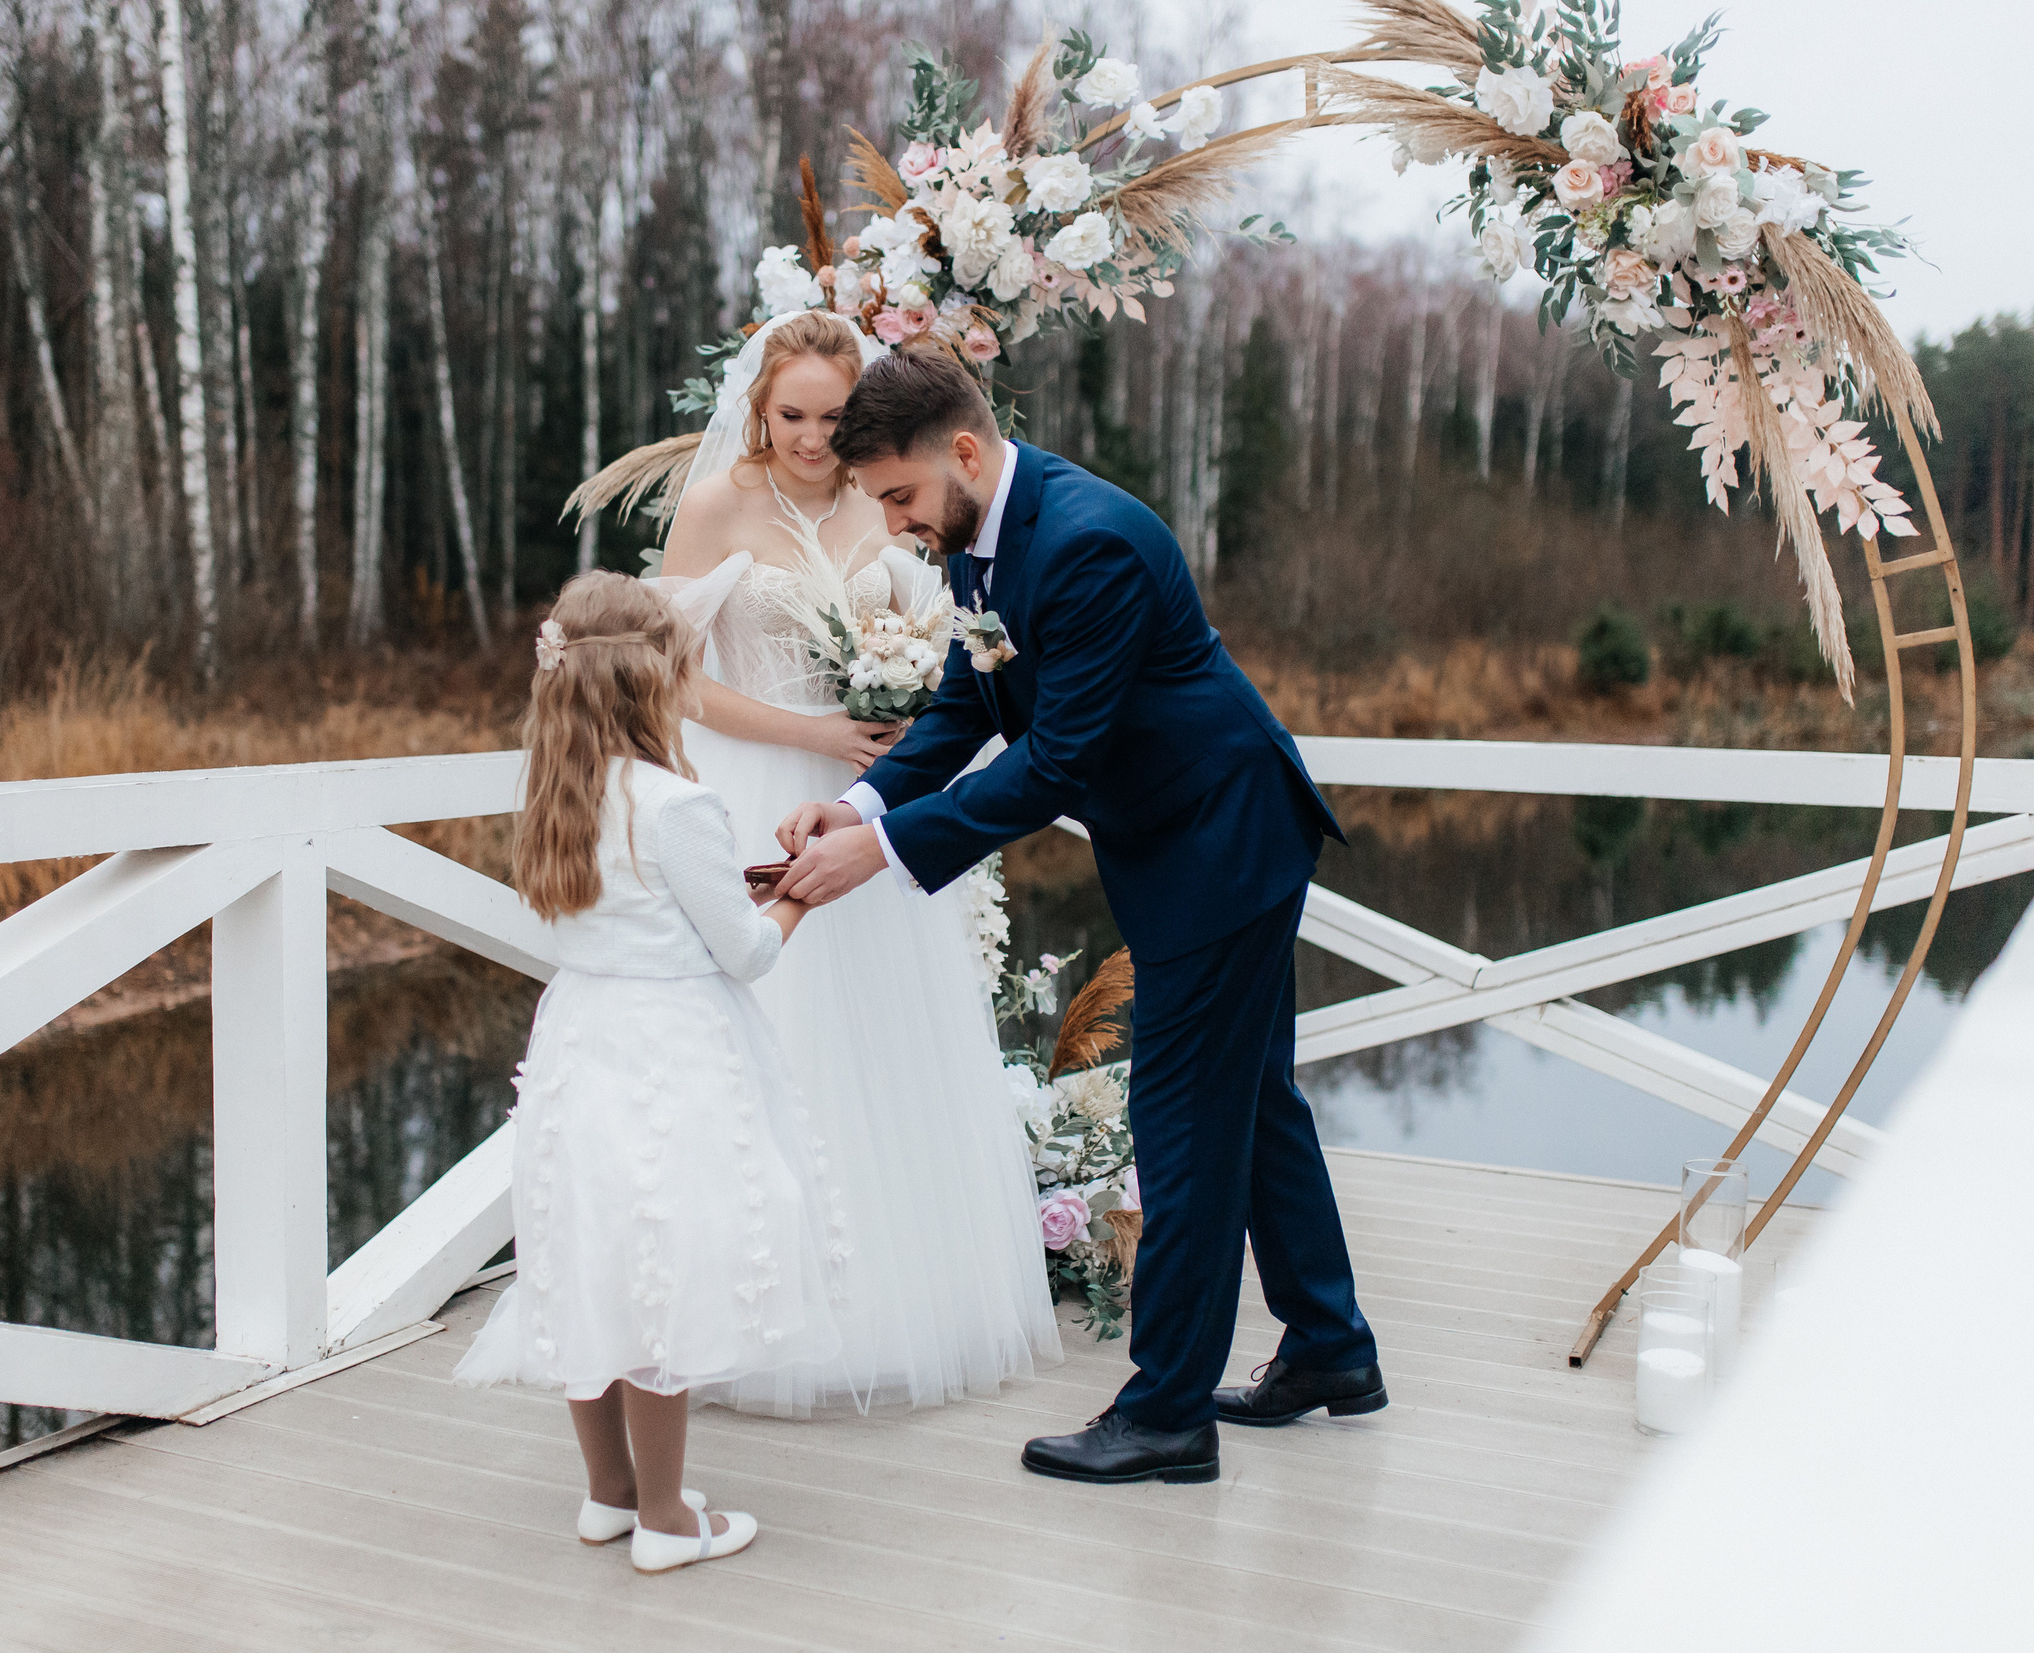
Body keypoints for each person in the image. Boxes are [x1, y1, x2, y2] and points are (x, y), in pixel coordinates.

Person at [776, 345, 1385, 1486]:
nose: (900, 525)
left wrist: (888, 851)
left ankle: (1166, 1415)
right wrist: (857, 800)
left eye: (901, 495)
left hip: (1222, 838)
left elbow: (1055, 759)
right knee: (1250, 1102)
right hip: (1187, 840)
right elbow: (970, 704)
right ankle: (1331, 1349)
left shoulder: (1089, 539)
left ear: (962, 451)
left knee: (1183, 1130)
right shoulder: (980, 541)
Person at [654, 310, 1060, 1416]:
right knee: (778, 1047)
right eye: (792, 414)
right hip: (758, 792)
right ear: (757, 405)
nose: (811, 437)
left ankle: (899, 1305)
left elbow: (953, 652)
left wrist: (898, 710)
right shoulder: (715, 506)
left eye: (834, 417)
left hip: (879, 806)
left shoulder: (888, 505)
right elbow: (667, 679)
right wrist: (812, 738)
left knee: (891, 1044)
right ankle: (759, 1318)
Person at [453, 572, 845, 1574]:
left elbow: (625, 910)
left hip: (584, 1036)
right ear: (663, 676)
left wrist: (735, 893)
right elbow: (747, 956)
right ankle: (668, 1521)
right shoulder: (678, 804)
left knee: (591, 1260)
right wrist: (798, 896)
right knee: (663, 1273)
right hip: (671, 1050)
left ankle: (609, 1495)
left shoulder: (554, 788)